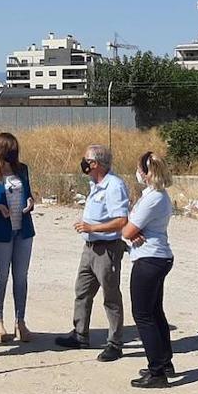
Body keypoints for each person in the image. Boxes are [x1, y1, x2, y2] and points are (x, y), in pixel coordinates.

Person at [55, 144, 130, 362]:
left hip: (107, 249)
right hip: (89, 248)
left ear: (95, 164)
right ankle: (80, 334)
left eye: (86, 160)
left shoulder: (114, 186)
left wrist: (92, 228)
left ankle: (115, 343)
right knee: (82, 290)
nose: (83, 163)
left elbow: (121, 221)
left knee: (111, 296)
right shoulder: (95, 185)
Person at [123, 151, 176, 388]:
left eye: (139, 168)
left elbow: (127, 231)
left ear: (146, 173)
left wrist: (130, 229)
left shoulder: (153, 197)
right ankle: (164, 361)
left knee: (143, 315)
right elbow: (133, 228)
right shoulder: (156, 196)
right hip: (156, 257)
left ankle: (157, 372)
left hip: (149, 259)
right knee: (155, 312)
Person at [0, 132, 35, 343]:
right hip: (0, 231)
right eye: (10, 151)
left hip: (23, 230)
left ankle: (21, 321)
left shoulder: (23, 170)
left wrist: (30, 202)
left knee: (21, 276)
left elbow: (29, 194)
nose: (13, 154)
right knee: (1, 274)